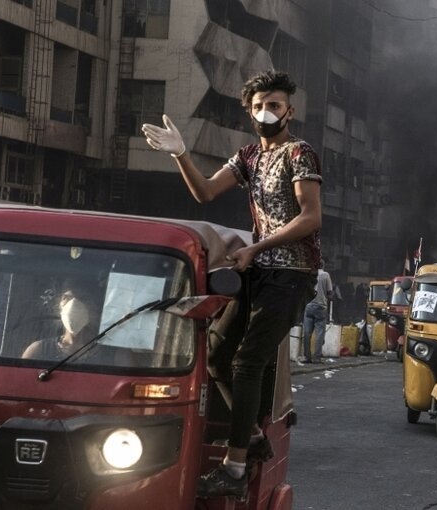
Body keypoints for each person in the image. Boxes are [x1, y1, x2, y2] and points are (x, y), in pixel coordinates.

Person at [141, 70, 322, 498]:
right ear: (249, 111)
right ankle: (256, 440)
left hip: (292, 273)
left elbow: (311, 217)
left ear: (289, 111)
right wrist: (180, 153)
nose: (267, 112)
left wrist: (256, 249)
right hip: (258, 272)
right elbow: (205, 193)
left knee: (247, 361)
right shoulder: (247, 158)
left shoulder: (300, 153)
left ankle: (236, 467)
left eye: (275, 105)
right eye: (259, 105)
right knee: (219, 357)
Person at [300, 265, 333, 364]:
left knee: (306, 333)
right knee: (319, 334)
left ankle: (307, 357)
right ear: (323, 265)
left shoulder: (309, 273)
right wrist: (329, 297)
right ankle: (317, 357)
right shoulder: (325, 275)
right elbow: (330, 292)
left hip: (309, 306)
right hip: (321, 307)